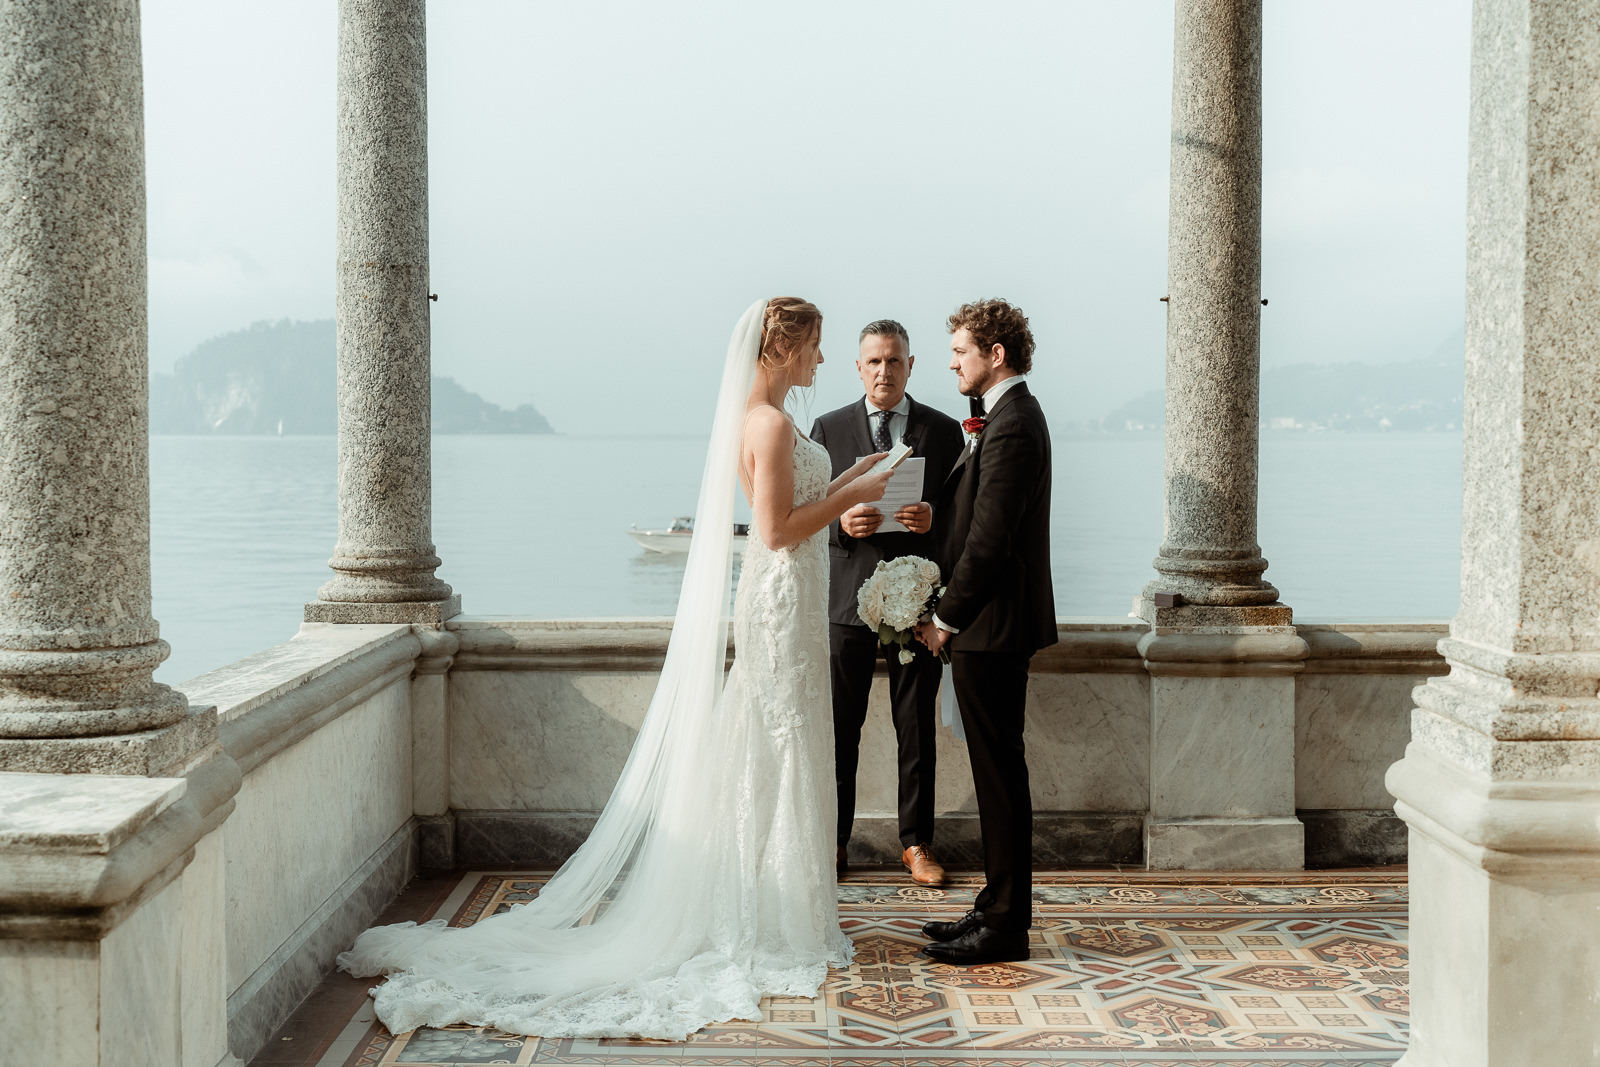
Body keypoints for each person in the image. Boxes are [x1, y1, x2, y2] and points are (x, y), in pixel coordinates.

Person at [339, 298, 896, 1039]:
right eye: (816, 348)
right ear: (782, 349)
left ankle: (779, 904)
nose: (822, 361)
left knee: (776, 744)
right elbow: (772, 528)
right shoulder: (766, 422)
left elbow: (793, 506)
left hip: (787, 598)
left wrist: (848, 476)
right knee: (778, 738)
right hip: (779, 598)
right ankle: (767, 918)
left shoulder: (773, 419)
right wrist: (852, 496)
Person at [914, 298, 1057, 965]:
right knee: (997, 771)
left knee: (1000, 775)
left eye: (960, 353)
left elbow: (992, 541)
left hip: (991, 629)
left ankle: (1005, 925)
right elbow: (971, 524)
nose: (952, 364)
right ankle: (995, 904)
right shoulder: (1003, 420)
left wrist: (944, 620)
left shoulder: (1015, 425)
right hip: (990, 628)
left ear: (994, 355)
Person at [810, 319, 964, 886]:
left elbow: (963, 519)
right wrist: (841, 524)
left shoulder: (944, 432)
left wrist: (934, 519)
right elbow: (802, 522)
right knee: (838, 727)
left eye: (894, 361)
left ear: (910, 365)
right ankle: (832, 840)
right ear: (858, 367)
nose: (884, 370)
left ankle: (917, 844)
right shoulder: (826, 430)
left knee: (915, 724)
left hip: (915, 600)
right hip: (847, 603)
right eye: (873, 361)